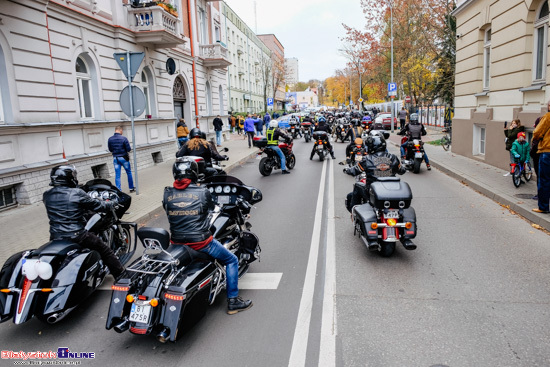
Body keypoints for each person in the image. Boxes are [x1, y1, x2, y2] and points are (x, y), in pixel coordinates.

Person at [164, 158, 252, 314]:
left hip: (177, 243)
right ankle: (233, 301)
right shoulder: (202, 192)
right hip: (201, 243)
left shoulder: (167, 193)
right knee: (231, 259)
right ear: (194, 173)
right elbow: (213, 208)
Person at [43, 165, 125, 279]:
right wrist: (112, 203)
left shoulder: (47, 195)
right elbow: (98, 205)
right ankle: (121, 276)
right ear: (69, 177)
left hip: (56, 236)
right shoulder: (77, 193)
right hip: (77, 235)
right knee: (105, 250)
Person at [532, 101, 550, 214]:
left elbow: (537, 132)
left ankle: (543, 207)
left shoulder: (548, 117)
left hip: (547, 151)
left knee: (544, 180)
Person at [108, 126, 135, 192]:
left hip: (115, 158)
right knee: (128, 172)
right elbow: (128, 149)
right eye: (122, 131)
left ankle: (118, 190)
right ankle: (131, 188)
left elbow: (110, 149)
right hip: (124, 158)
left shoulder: (110, 139)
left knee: (117, 175)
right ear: (120, 130)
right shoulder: (124, 138)